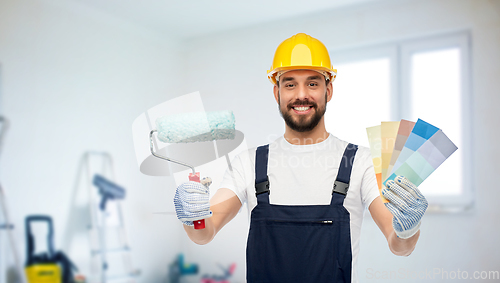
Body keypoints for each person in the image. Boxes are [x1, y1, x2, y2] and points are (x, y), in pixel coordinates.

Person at [174, 33, 428, 283]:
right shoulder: (248, 163)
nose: (301, 94)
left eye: (313, 83)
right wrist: (192, 214)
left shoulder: (360, 161)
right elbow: (204, 233)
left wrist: (408, 228)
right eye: (290, 84)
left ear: (329, 90)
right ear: (277, 93)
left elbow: (399, 246)